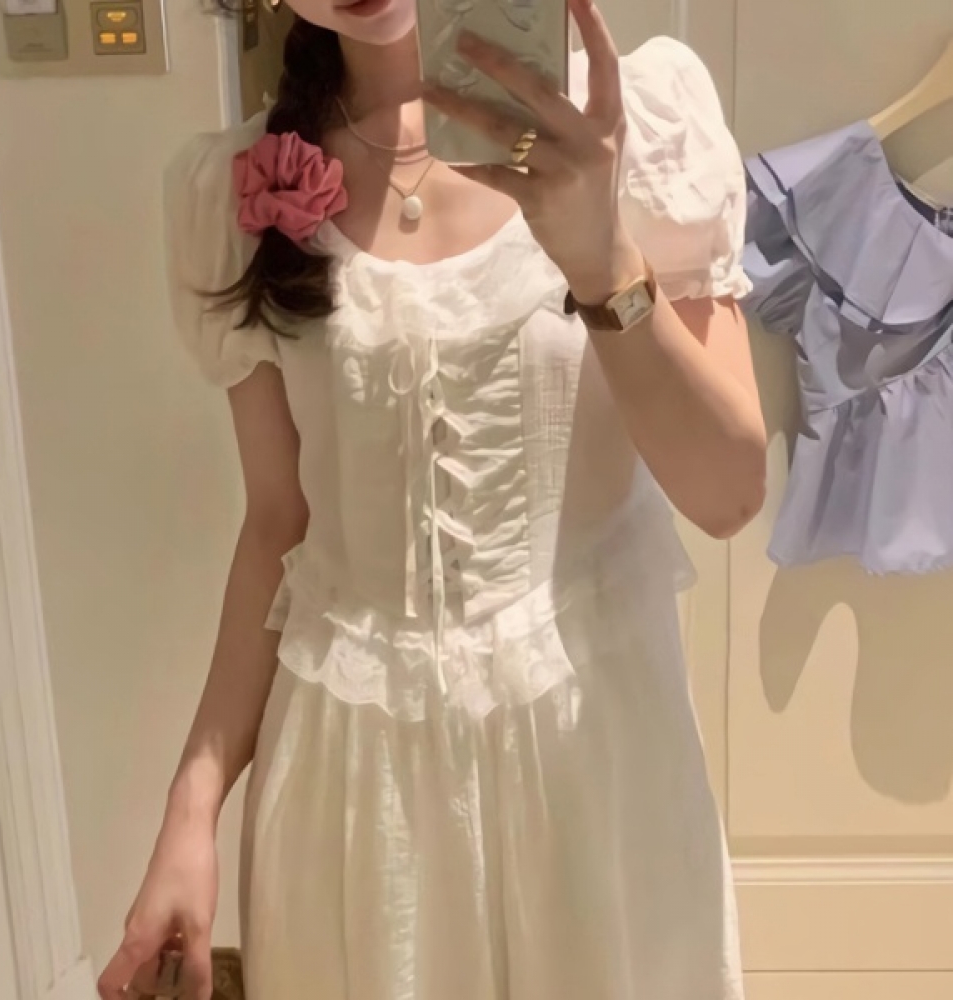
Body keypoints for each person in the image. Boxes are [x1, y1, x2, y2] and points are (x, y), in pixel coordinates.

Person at [99, 0, 766, 996]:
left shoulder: (634, 122)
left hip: (593, 770)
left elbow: (727, 493)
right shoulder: (230, 190)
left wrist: (602, 263)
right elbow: (278, 525)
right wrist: (189, 813)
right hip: (353, 798)